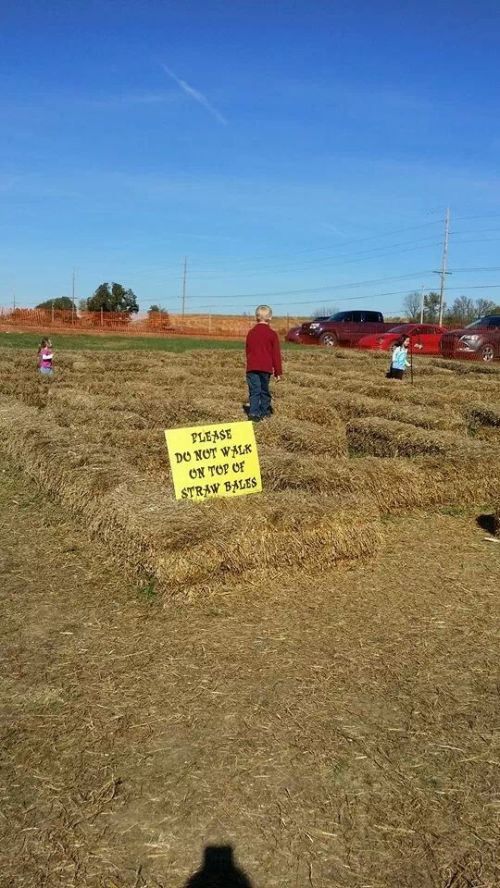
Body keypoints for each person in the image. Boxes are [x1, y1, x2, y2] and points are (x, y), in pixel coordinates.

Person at [245, 304, 282, 421]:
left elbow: (248, 350)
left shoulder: (251, 333)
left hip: (252, 368)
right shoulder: (272, 334)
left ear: (256, 317)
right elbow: (276, 355)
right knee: (264, 390)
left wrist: (250, 362)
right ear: (270, 317)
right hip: (265, 368)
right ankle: (264, 412)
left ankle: (253, 413)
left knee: (254, 391)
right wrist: (278, 372)